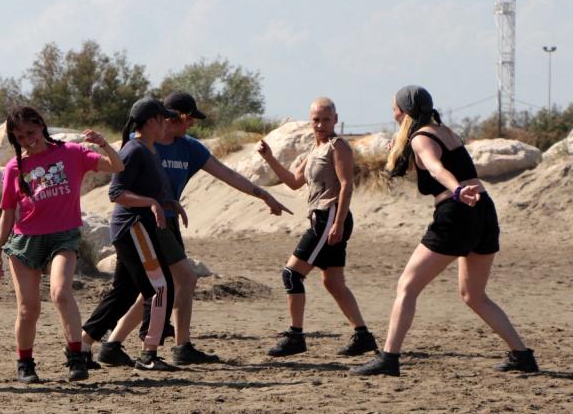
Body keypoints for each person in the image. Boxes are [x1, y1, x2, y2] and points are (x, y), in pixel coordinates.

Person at [351, 85, 538, 376]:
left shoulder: (420, 139)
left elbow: (437, 168)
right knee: (473, 295)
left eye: (393, 109)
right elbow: (433, 165)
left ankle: (389, 358)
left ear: (402, 112)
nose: (392, 113)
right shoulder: (444, 131)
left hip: (457, 212)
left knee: (407, 286)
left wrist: (457, 189)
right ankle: (522, 355)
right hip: (484, 209)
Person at [97, 91, 291, 367]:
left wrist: (263, 195)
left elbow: (228, 174)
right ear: (174, 117)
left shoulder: (189, 147)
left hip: (166, 220)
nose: (192, 125)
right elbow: (118, 187)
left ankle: (118, 343)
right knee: (174, 281)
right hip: (143, 223)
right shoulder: (141, 144)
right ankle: (161, 347)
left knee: (161, 285)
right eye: (190, 119)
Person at [0, 106, 124, 383]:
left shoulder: (71, 153)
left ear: (41, 125)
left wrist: (104, 144)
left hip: (63, 236)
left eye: (31, 132)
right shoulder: (14, 167)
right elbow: (7, 212)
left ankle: (77, 358)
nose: (28, 140)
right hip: (25, 241)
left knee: (61, 293)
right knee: (28, 309)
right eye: (20, 137)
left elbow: (117, 166)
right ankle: (25, 363)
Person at [257, 97, 378, 357]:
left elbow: (347, 185)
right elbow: (293, 181)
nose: (320, 124)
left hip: (329, 216)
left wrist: (338, 223)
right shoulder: (315, 148)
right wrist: (269, 158)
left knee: (291, 274)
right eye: (316, 119)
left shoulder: (338, 146)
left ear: (335, 119)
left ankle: (295, 336)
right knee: (333, 282)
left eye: (325, 119)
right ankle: (363, 336)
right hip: (322, 218)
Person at [80, 97, 181, 371]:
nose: (168, 125)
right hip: (133, 228)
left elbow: (148, 190)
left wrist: (168, 203)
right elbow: (116, 193)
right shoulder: (134, 150)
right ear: (151, 122)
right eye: (164, 119)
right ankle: (150, 352)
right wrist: (151, 203)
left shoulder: (149, 149)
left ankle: (83, 344)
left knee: (124, 292)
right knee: (160, 286)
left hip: (138, 229)